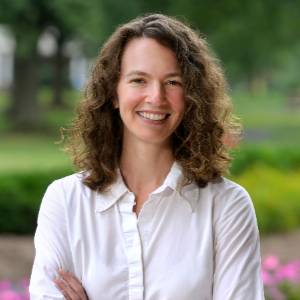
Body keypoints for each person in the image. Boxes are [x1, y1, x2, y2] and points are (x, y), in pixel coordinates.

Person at [29, 13, 265, 300]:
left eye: (173, 82)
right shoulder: (65, 201)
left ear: (192, 96)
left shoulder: (227, 207)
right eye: (139, 80)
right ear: (113, 92)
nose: (156, 97)